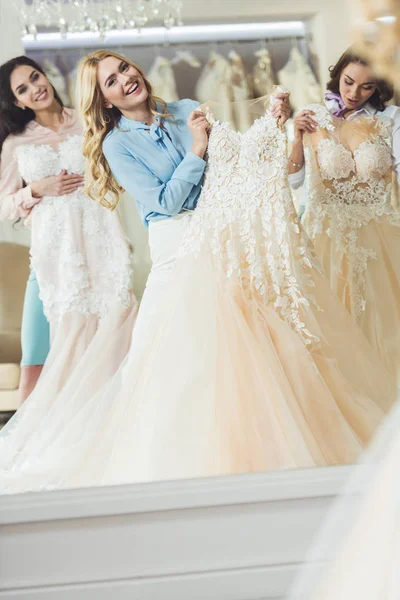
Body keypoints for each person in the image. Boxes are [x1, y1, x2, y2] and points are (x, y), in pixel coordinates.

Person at [0, 52, 395, 493]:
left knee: (253, 348)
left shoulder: (187, 109)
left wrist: (273, 127)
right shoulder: (117, 144)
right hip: (174, 246)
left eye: (125, 69)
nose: (125, 79)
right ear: (105, 100)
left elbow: (239, 167)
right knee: (183, 358)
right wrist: (199, 149)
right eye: (111, 81)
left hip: (221, 238)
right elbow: (165, 201)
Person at [0, 56, 137, 471]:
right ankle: (67, 444)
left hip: (103, 241)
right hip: (59, 257)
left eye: (34, 78)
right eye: (22, 89)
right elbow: (5, 207)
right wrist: (37, 189)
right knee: (69, 342)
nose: (34, 89)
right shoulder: (16, 143)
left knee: (116, 329)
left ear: (46, 76)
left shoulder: (92, 118)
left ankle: (122, 439)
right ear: (18, 102)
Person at [288, 46, 400, 377]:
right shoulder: (311, 116)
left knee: (385, 326)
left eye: (367, 87)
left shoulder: (391, 118)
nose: (353, 94)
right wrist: (295, 138)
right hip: (327, 237)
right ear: (338, 74)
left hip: (380, 237)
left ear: (378, 87)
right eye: (348, 82)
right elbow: (294, 180)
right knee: (335, 328)